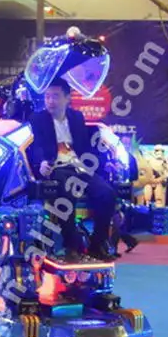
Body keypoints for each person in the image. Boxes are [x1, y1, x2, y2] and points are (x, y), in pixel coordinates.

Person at [28, 78, 117, 261]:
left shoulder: (77, 117)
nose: (50, 101)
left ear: (67, 98)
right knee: (67, 191)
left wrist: (102, 164)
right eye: (47, 97)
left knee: (107, 193)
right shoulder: (38, 118)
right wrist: (41, 162)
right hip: (56, 167)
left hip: (79, 166)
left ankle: (97, 245)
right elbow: (36, 146)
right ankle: (72, 246)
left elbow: (85, 147)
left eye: (55, 96)